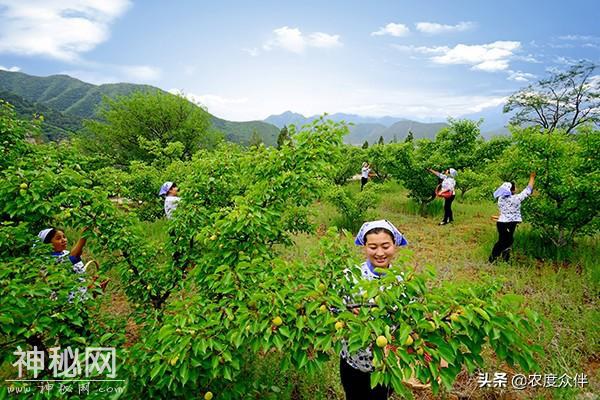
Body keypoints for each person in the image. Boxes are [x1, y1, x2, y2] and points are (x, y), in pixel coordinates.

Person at [339, 219, 408, 400]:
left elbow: (409, 320)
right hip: (353, 362)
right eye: (372, 247)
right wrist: (348, 316)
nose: (379, 253)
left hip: (385, 365)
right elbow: (334, 309)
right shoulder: (350, 276)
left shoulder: (402, 282)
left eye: (386, 246)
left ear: (395, 245)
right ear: (364, 247)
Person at [489, 172, 536, 263]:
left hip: (501, 223)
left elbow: (504, 211)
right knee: (506, 241)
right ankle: (493, 258)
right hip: (510, 224)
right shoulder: (516, 198)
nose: (517, 189)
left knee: (505, 240)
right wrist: (532, 177)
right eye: (515, 188)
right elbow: (528, 190)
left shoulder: (500, 199)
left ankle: (503, 259)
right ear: (512, 190)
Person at [38, 227, 90, 302]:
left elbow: (79, 274)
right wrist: (84, 237)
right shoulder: (48, 260)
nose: (63, 240)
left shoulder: (65, 253)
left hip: (80, 298)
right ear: (48, 244)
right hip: (65, 302)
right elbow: (73, 257)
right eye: (58, 238)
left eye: (64, 237)